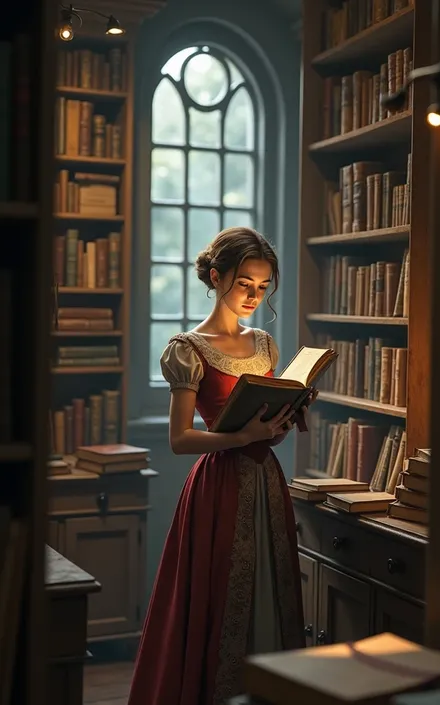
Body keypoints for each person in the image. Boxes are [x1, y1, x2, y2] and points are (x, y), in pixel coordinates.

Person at [127, 227, 315, 705]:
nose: (254, 295)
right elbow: (179, 439)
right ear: (217, 277)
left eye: (263, 286)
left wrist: (282, 420)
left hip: (267, 481)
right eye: (244, 283)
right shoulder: (188, 349)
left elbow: (265, 421)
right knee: (218, 596)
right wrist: (243, 436)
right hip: (219, 488)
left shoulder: (266, 345)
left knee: (269, 591)